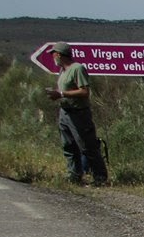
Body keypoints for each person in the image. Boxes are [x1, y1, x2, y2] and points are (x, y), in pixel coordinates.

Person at [45, 42, 108, 186]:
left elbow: (85, 91)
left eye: (53, 54)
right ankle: (74, 175)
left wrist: (61, 93)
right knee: (69, 145)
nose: (52, 57)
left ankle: (100, 177)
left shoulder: (77, 69)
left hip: (79, 114)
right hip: (65, 112)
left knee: (87, 146)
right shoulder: (62, 71)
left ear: (59, 54)